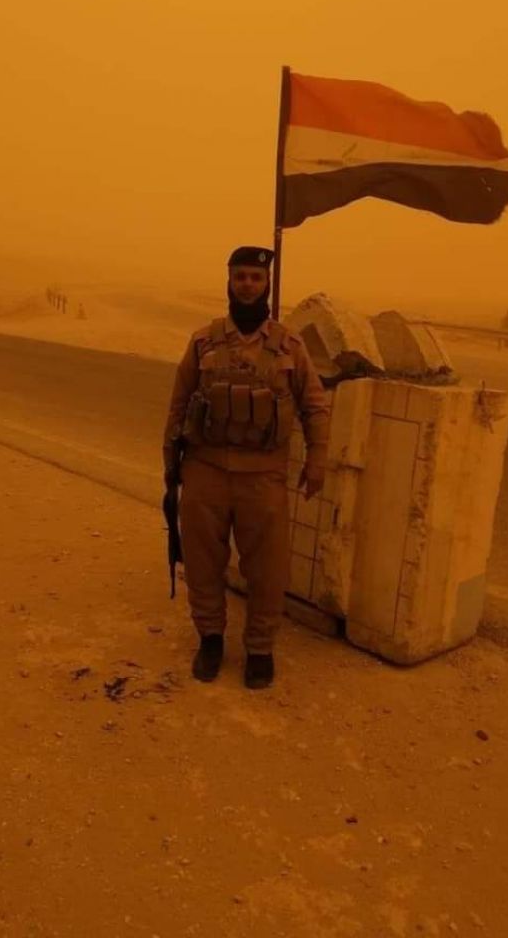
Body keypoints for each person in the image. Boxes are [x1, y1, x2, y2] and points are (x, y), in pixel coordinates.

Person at [162, 246, 330, 689]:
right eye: (240, 277)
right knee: (202, 562)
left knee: (267, 570)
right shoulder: (203, 341)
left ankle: (259, 648)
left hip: (263, 476)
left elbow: (314, 406)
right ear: (229, 282)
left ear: (267, 284)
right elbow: (179, 404)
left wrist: (318, 459)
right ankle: (210, 639)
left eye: (255, 278)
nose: (248, 285)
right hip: (206, 471)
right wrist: (170, 464)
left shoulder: (289, 346)